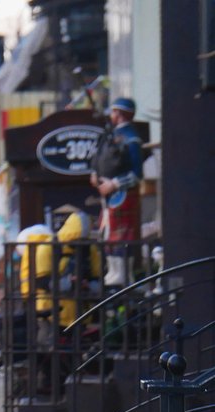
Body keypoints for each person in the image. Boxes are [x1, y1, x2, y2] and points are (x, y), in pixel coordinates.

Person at [90, 97, 143, 287]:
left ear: (119, 114)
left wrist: (113, 184)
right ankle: (113, 271)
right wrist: (96, 174)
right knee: (109, 234)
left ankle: (122, 273)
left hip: (122, 195)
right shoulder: (111, 136)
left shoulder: (132, 138)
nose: (111, 115)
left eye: (113, 111)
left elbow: (137, 174)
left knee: (122, 236)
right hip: (110, 197)